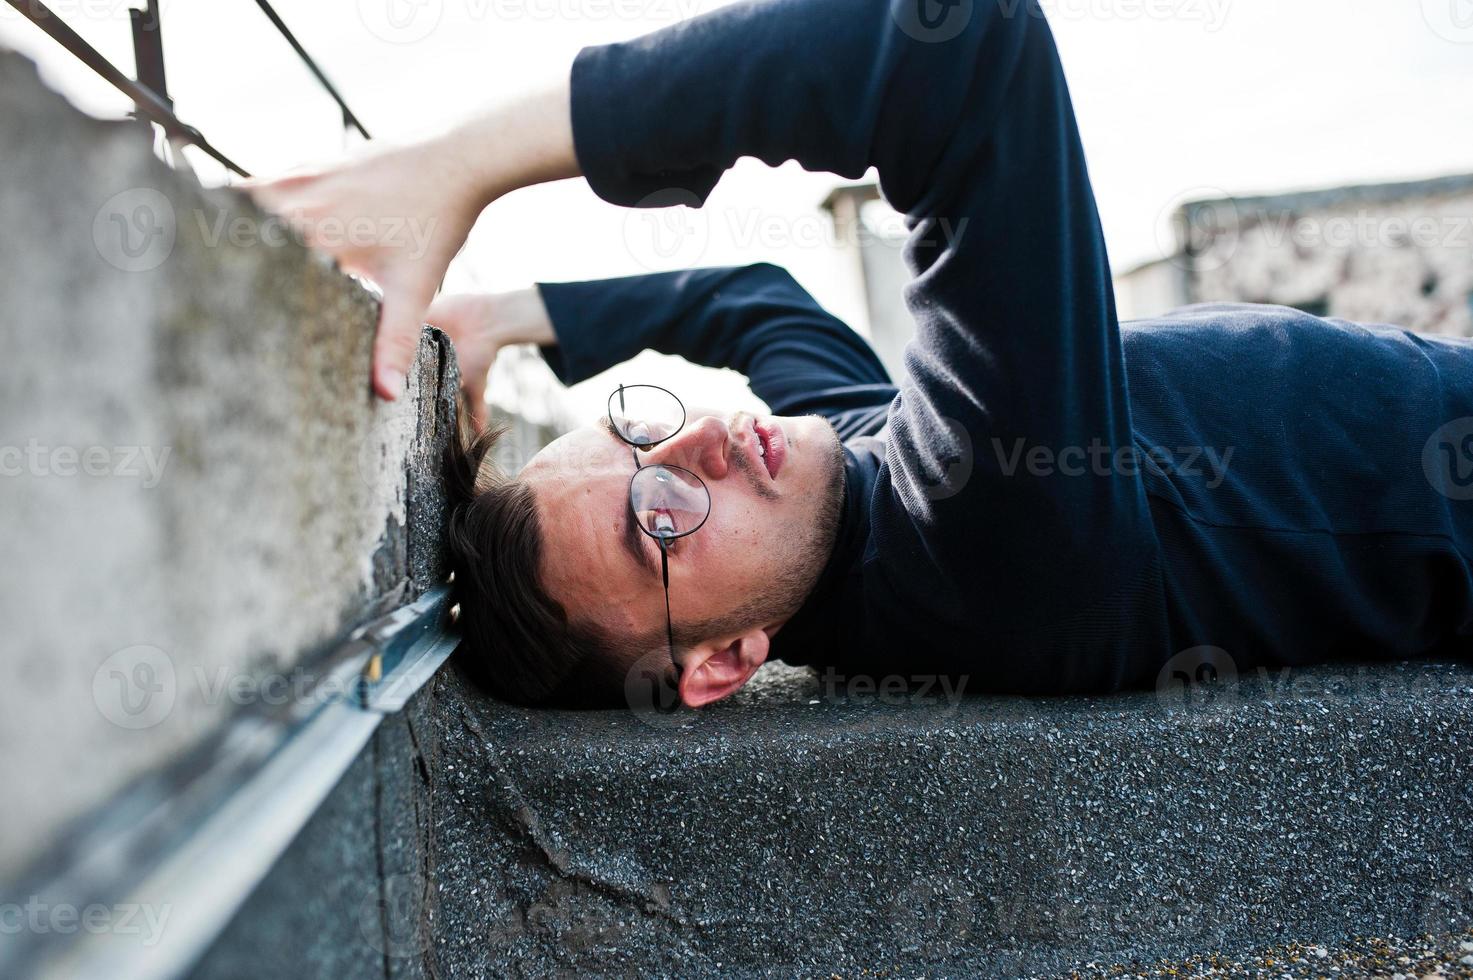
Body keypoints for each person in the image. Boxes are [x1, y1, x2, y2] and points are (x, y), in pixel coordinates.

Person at [249, 0, 1473, 710]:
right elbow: (966, 52)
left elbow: (755, 299)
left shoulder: (847, 485)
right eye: (661, 508)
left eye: (636, 428)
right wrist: (465, 164)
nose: (706, 437)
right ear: (723, 661)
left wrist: (510, 308)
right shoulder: (982, 537)